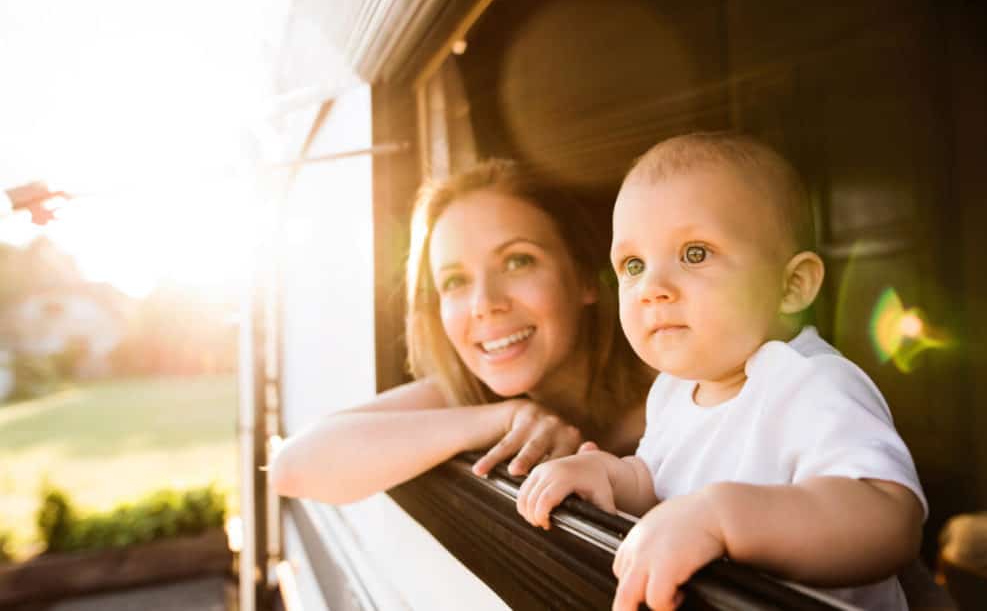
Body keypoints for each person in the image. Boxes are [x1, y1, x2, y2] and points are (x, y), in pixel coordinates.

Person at [516, 133, 927, 611]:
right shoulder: (673, 390)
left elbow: (887, 520)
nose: (652, 288)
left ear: (792, 286)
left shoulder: (811, 382)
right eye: (633, 264)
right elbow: (657, 484)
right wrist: (607, 475)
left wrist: (723, 519)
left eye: (694, 253)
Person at [270, 159, 652, 504]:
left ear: (585, 277)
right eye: (455, 281)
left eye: (517, 261)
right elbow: (292, 467)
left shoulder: (678, 393)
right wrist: (503, 417)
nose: (483, 303)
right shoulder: (467, 392)